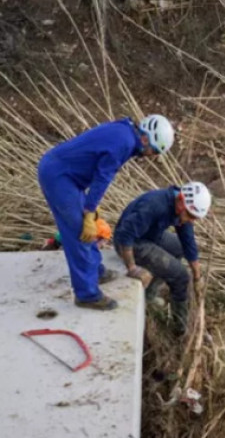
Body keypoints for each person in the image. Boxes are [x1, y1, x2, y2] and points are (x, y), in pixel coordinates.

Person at [37, 115, 175, 311]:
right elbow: (102, 178)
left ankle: (96, 272)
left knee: (85, 228)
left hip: (64, 173)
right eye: (153, 150)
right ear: (145, 139)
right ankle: (87, 294)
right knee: (79, 232)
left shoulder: (125, 132)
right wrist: (89, 210)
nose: (150, 155)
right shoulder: (124, 144)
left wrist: (90, 209)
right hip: (60, 176)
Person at [113, 182, 212, 335]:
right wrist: (132, 268)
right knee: (180, 276)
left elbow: (188, 243)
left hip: (151, 235)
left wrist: (198, 277)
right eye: (191, 216)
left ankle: (149, 295)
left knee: (178, 249)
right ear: (180, 200)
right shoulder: (154, 205)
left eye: (195, 218)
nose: (192, 220)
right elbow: (125, 235)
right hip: (133, 243)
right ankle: (180, 328)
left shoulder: (182, 209)